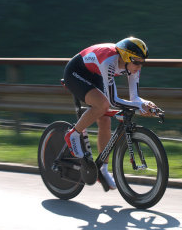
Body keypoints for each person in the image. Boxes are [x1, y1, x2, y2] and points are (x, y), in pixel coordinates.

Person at [62, 37, 157, 190]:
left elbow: (135, 97)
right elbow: (113, 100)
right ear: (126, 57)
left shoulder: (131, 65)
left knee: (105, 120)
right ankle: (73, 134)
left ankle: (103, 169)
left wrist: (144, 104)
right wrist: (139, 107)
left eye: (142, 62)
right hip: (76, 72)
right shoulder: (109, 61)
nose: (139, 66)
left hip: (95, 74)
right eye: (137, 62)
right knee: (103, 105)